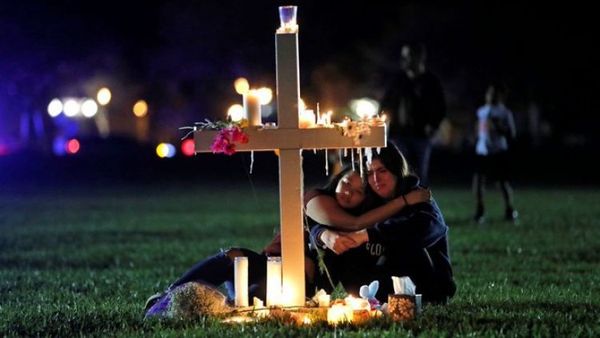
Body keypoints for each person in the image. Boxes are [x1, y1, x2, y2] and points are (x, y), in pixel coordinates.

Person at [144, 166, 431, 316]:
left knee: (253, 301)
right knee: (234, 256)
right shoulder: (318, 200)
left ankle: (209, 306)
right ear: (337, 180)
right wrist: (405, 200)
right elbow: (339, 224)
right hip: (270, 264)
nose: (349, 193)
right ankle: (169, 295)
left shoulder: (364, 218)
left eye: (358, 191)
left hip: (302, 287)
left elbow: (358, 232)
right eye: (346, 183)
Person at [310, 143, 456, 304]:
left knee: (404, 239)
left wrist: (367, 235)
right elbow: (337, 222)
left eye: (382, 171)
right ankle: (316, 297)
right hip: (374, 288)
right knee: (340, 240)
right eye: (370, 173)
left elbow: (427, 227)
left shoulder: (416, 195)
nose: (376, 179)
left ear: (396, 169)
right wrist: (323, 235)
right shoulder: (370, 199)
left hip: (424, 288)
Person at [379, 43, 446, 186]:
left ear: (420, 57)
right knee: (400, 172)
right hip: (398, 135)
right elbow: (385, 104)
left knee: (420, 174)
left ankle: (421, 206)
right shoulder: (398, 80)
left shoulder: (430, 81)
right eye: (404, 56)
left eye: (408, 56)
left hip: (421, 135)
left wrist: (433, 125)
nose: (405, 60)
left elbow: (441, 106)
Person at [473, 84, 518, 223]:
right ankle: (480, 211)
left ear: (499, 96)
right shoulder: (481, 111)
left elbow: (512, 133)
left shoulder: (505, 112)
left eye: (493, 93)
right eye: (489, 93)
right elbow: (478, 129)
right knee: (479, 181)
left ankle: (509, 209)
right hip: (483, 151)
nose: (490, 96)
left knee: (503, 182)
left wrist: (498, 127)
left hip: (498, 151)